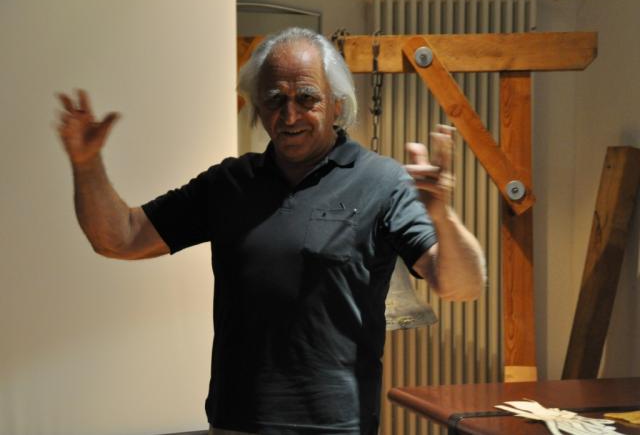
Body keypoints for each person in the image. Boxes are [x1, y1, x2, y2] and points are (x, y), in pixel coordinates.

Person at [56, 27, 486, 435]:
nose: (290, 115)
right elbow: (120, 237)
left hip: (337, 426)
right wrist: (86, 164)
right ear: (258, 108)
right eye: (275, 100)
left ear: (337, 105)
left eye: (307, 98)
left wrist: (442, 215)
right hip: (236, 422)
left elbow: (462, 286)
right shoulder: (228, 184)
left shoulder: (382, 182)